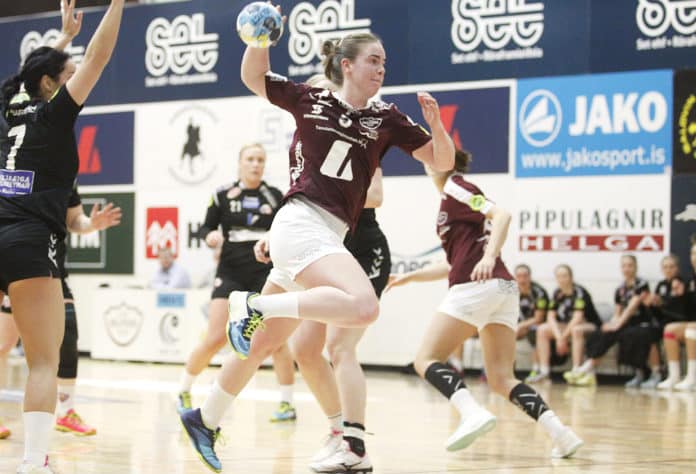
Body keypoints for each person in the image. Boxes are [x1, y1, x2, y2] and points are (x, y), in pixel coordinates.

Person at [180, 23, 454, 472]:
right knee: (364, 306)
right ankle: (252, 306)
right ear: (346, 65)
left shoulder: (386, 118)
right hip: (301, 222)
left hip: (327, 232)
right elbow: (254, 77)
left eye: (384, 63)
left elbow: (442, 160)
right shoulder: (312, 99)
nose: (381, 69)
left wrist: (436, 125)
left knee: (264, 343)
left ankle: (204, 418)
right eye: (372, 61)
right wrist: (259, 40)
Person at [386, 150, 583, 458]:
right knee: (502, 379)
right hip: (501, 288)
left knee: (425, 359)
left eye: (432, 155)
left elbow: (501, 215)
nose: (426, 160)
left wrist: (490, 257)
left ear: (445, 162)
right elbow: (451, 264)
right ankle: (562, 434)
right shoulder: (452, 199)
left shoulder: (456, 187)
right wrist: (408, 277)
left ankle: (471, 412)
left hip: (477, 285)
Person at [0, 0, 124, 471]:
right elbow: (99, 57)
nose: (75, 80)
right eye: (66, 75)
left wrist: (63, 38)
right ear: (51, 85)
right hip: (28, 240)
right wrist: (117, 4)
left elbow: (28, 73)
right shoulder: (52, 117)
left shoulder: (9, 107)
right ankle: (34, 463)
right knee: (42, 362)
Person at [287, 72, 391, 471]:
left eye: (322, 92)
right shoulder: (306, 145)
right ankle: (336, 430)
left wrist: (335, 189)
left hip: (362, 249)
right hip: (328, 250)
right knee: (303, 348)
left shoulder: (359, 135)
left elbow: (377, 194)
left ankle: (356, 446)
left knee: (340, 347)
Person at [176, 143, 297, 422]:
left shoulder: (275, 196)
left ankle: (287, 403)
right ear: (240, 163)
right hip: (230, 272)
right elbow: (206, 227)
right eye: (250, 159)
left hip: (264, 274)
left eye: (260, 160)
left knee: (277, 342)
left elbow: (286, 231)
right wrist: (210, 237)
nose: (256, 164)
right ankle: (183, 390)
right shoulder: (222, 195)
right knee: (216, 336)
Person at [566, 255, 654, 387]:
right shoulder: (620, 289)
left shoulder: (641, 284)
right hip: (625, 324)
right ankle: (589, 370)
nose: (627, 269)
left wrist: (618, 324)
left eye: (630, 265)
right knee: (601, 333)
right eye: (624, 266)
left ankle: (642, 373)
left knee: (630, 335)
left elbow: (631, 307)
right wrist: (612, 323)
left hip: (642, 322)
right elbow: (617, 312)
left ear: (635, 267)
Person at [527, 265, 600, 383]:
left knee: (576, 329)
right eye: (559, 276)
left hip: (589, 325)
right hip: (567, 326)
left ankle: (576, 370)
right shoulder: (557, 293)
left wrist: (563, 338)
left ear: (571, 277)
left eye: (565, 276)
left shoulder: (579, 292)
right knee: (542, 329)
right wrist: (558, 337)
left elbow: (577, 319)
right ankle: (544, 371)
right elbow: (551, 317)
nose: (562, 279)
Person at [657, 250, 695, 390]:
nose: (694, 257)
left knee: (691, 329)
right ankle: (674, 376)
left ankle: (692, 377)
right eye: (693, 253)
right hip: (692, 322)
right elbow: (688, 309)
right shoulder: (690, 281)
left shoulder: (684, 280)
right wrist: (681, 296)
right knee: (670, 330)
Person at [513, 264, 548, 380]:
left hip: (537, 325)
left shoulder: (539, 293)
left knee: (535, 332)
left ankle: (536, 369)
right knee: (507, 334)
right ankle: (508, 370)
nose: (522, 279)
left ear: (530, 277)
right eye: (519, 276)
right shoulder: (511, 291)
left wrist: (520, 326)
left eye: (525, 276)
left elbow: (539, 318)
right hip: (519, 325)